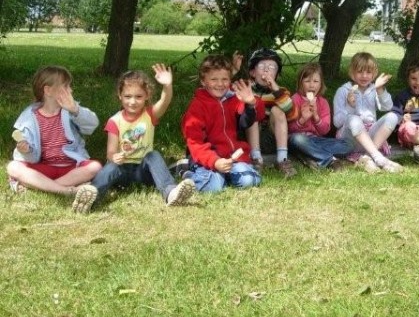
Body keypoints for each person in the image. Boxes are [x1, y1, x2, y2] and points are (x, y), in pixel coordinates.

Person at [71, 65, 195, 213]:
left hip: (144, 171)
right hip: (121, 171)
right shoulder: (114, 121)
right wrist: (114, 157)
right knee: (111, 167)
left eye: (138, 97)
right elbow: (110, 152)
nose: (133, 101)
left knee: (153, 155)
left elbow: (165, 101)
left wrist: (167, 86)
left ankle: (170, 192)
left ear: (147, 95)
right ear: (120, 95)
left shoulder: (150, 114)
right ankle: (92, 195)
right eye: (128, 96)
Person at [7, 65, 102, 202]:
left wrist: (75, 109)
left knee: (95, 167)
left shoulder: (70, 110)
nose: (71, 90)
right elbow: (31, 159)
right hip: (44, 168)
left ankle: (44, 187)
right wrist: (26, 151)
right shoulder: (29, 118)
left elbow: (92, 125)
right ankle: (66, 190)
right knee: (13, 167)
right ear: (48, 90)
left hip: (71, 168)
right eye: (66, 86)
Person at [181, 55, 266, 192]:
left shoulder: (232, 98)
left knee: (249, 180)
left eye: (225, 79)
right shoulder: (197, 107)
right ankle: (189, 174)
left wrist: (251, 103)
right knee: (214, 187)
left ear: (230, 80)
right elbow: (195, 142)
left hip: (233, 158)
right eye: (214, 79)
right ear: (203, 81)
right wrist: (215, 162)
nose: (220, 84)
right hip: (208, 159)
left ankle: (223, 177)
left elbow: (256, 117)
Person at [333, 52, 403, 173]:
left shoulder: (373, 89)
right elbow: (337, 123)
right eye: (360, 72)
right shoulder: (343, 91)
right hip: (350, 139)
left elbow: (387, 107)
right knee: (354, 119)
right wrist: (350, 107)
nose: (364, 76)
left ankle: (367, 157)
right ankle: (379, 159)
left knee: (392, 116)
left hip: (370, 138)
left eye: (369, 72)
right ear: (352, 72)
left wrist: (380, 89)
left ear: (374, 74)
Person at [288, 62, 353, 170]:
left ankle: (310, 155)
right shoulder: (295, 100)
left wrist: (316, 116)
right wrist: (302, 119)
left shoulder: (323, 103)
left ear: (321, 84)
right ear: (300, 83)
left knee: (348, 144)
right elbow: (289, 129)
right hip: (298, 140)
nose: (311, 85)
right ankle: (330, 160)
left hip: (317, 140)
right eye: (307, 81)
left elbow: (324, 131)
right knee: (298, 139)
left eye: (315, 81)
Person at [245, 48, 299, 178]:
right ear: (252, 72)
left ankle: (282, 159)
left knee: (277, 110)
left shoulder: (281, 92)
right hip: (250, 136)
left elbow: (292, 114)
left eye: (272, 67)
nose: (266, 70)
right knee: (253, 109)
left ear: (277, 75)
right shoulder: (246, 90)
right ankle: (256, 159)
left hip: (273, 137)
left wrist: (275, 89)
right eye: (261, 66)